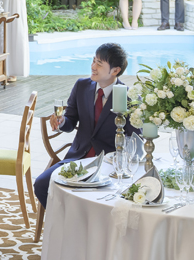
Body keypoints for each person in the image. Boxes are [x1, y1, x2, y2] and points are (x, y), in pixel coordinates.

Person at [34, 43, 140, 208]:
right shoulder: (82, 86)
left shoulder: (129, 97)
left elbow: (135, 140)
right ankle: (65, 221)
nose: (93, 66)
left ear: (115, 70)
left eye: (99, 63)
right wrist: (62, 121)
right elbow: (70, 121)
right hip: (77, 159)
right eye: (93, 61)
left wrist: (119, 160)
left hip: (108, 166)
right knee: (41, 184)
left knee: (99, 201)